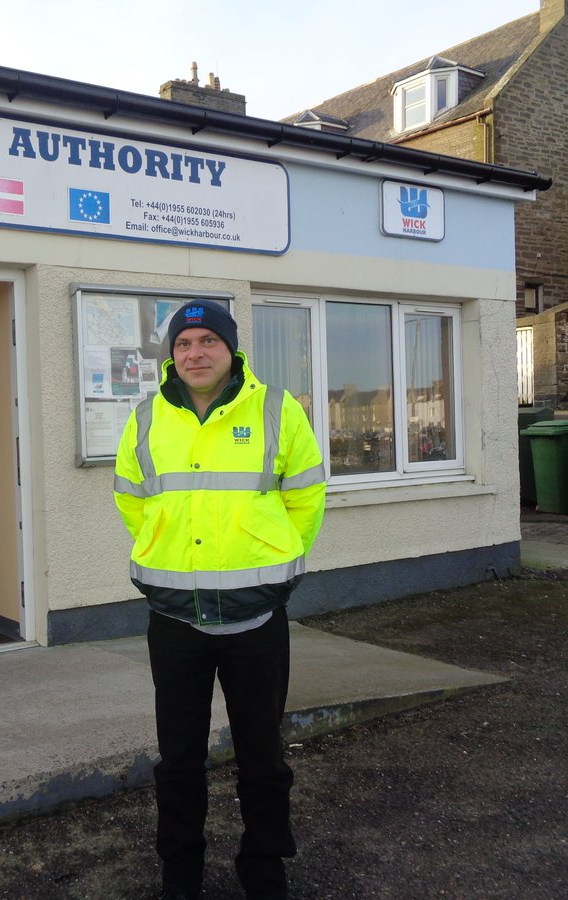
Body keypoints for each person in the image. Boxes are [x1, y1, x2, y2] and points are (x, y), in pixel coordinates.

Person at [113, 300, 326, 899]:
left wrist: (272, 563)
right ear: (171, 355)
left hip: (256, 616)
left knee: (262, 755)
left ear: (231, 350)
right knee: (178, 760)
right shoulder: (146, 417)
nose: (195, 353)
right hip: (174, 617)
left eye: (208, 341)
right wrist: (171, 554)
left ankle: (264, 868)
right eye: (184, 344)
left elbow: (306, 501)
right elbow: (133, 501)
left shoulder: (276, 410)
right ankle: (180, 871)